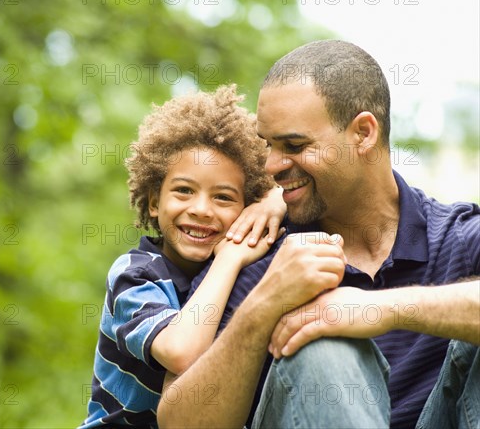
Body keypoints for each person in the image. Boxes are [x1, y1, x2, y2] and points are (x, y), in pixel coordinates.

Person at [157, 40, 480, 428]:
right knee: (322, 343)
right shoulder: (256, 255)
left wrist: (379, 309)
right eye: (267, 145)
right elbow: (177, 421)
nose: (272, 166)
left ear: (363, 133)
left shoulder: (459, 236)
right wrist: (263, 308)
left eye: (294, 145)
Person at [80, 85, 287, 428]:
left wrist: (274, 200)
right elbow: (182, 352)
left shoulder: (247, 273)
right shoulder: (135, 275)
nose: (201, 210)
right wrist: (228, 259)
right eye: (184, 191)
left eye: (223, 198)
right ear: (154, 202)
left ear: (246, 208)